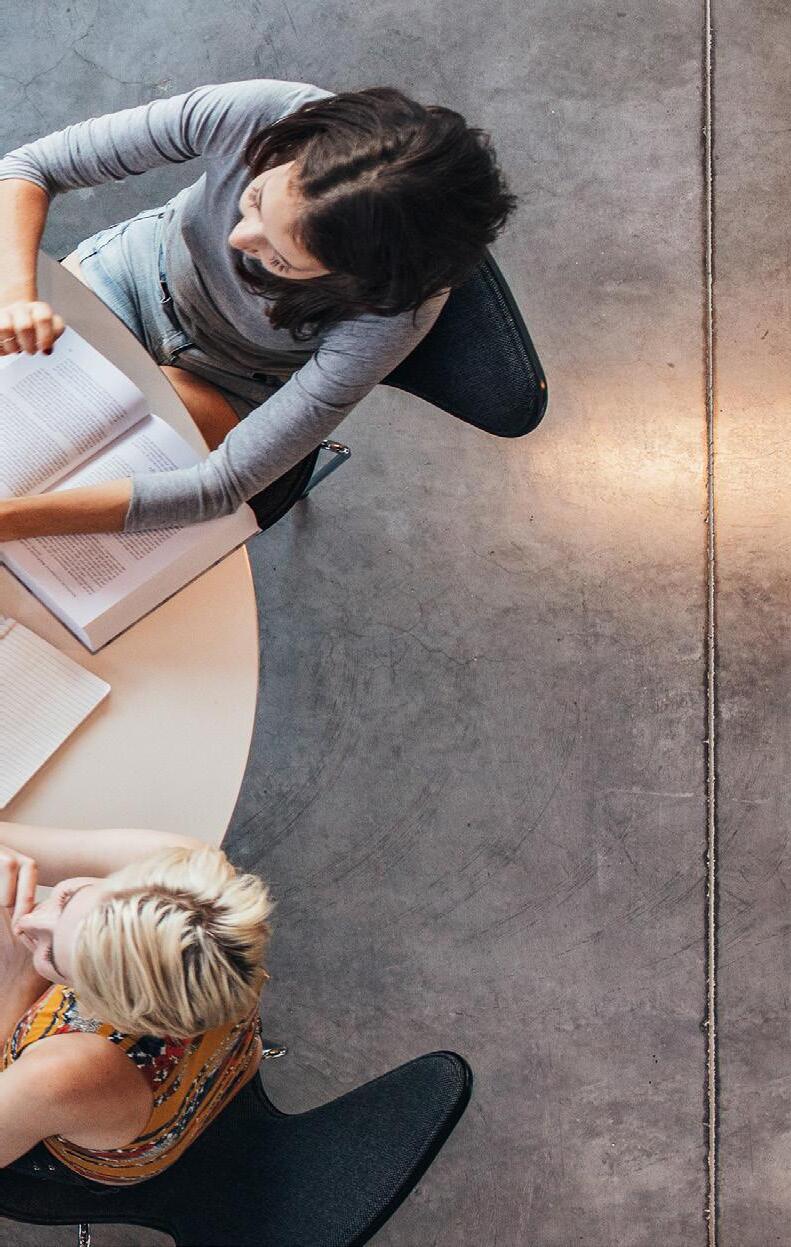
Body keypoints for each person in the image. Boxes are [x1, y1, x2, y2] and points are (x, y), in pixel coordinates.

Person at [0, 79, 518, 540]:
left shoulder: (392, 311)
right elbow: (31, 167)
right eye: (255, 199)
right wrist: (17, 294)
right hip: (127, 278)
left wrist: (10, 522)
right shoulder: (264, 113)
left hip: (231, 379)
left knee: (72, 480)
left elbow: (221, 485)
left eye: (280, 259)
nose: (237, 239)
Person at [0, 820, 272, 1186]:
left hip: (94, 1134)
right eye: (68, 898)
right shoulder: (185, 877)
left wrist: (17, 982)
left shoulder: (60, 1074)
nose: (28, 921)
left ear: (102, 1008)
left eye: (51, 956)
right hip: (223, 1061)